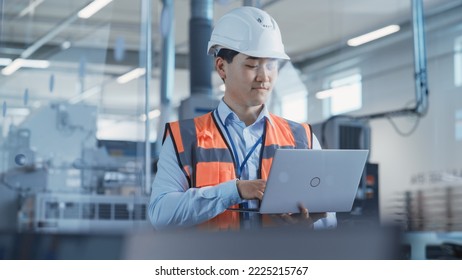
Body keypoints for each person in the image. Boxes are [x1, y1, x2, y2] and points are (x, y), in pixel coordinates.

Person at [148, 6, 336, 230]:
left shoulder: (301, 137)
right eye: (252, 65)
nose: (264, 76)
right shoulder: (185, 138)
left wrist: (308, 225)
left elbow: (328, 221)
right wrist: (234, 191)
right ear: (221, 67)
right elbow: (161, 215)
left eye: (271, 64)